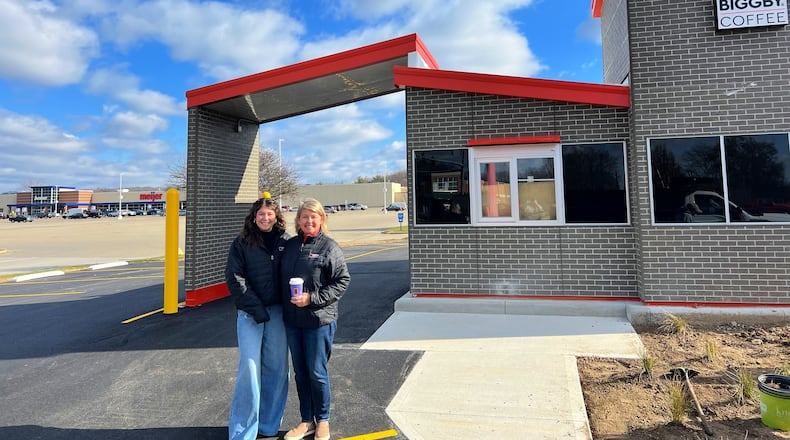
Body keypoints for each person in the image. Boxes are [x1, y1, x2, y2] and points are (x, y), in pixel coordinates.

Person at [280, 198, 350, 440]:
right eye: (304, 216)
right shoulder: (290, 246)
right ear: (298, 220)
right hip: (293, 321)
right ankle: (306, 421)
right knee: (300, 372)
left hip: (319, 321)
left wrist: (312, 298)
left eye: (314, 216)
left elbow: (343, 281)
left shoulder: (329, 247)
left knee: (316, 372)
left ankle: (323, 420)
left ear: (321, 219)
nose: (309, 221)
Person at [225, 195, 290, 440]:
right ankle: (242, 432)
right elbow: (235, 278)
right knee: (249, 370)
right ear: (254, 217)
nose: (265, 218)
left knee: (277, 369)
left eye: (269, 214)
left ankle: (268, 426)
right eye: (261, 214)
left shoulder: (286, 241)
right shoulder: (241, 243)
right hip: (250, 313)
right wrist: (256, 308)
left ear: (276, 216)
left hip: (278, 313)